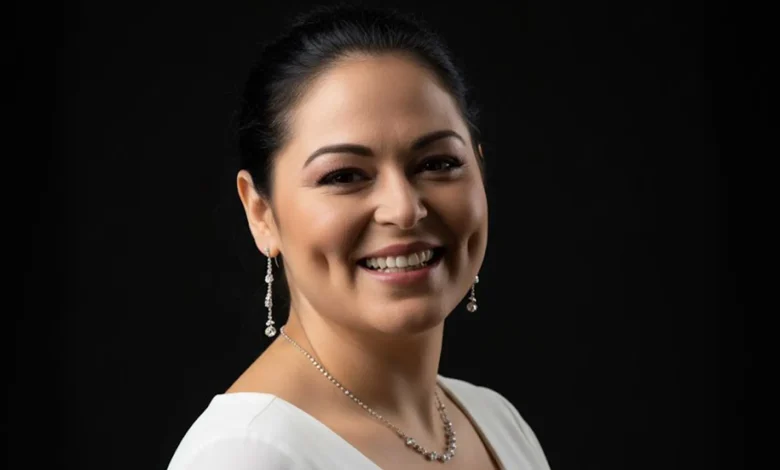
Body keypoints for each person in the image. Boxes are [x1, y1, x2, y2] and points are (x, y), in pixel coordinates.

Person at [167, 4, 551, 469]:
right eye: (344, 175)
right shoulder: (245, 455)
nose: (404, 209)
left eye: (437, 163)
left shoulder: (497, 422)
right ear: (261, 213)